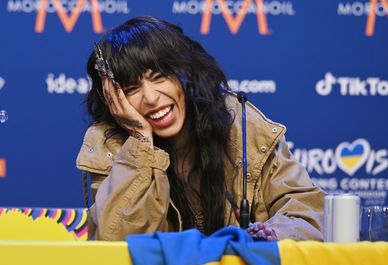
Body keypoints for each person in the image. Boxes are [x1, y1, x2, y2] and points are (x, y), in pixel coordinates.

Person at [76, 16, 324, 241]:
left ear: (186, 73)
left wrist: (270, 235)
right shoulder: (112, 146)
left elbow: (306, 213)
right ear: (114, 101)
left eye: (159, 77)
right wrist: (140, 141)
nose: (150, 98)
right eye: (131, 89)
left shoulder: (241, 125)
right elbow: (114, 243)